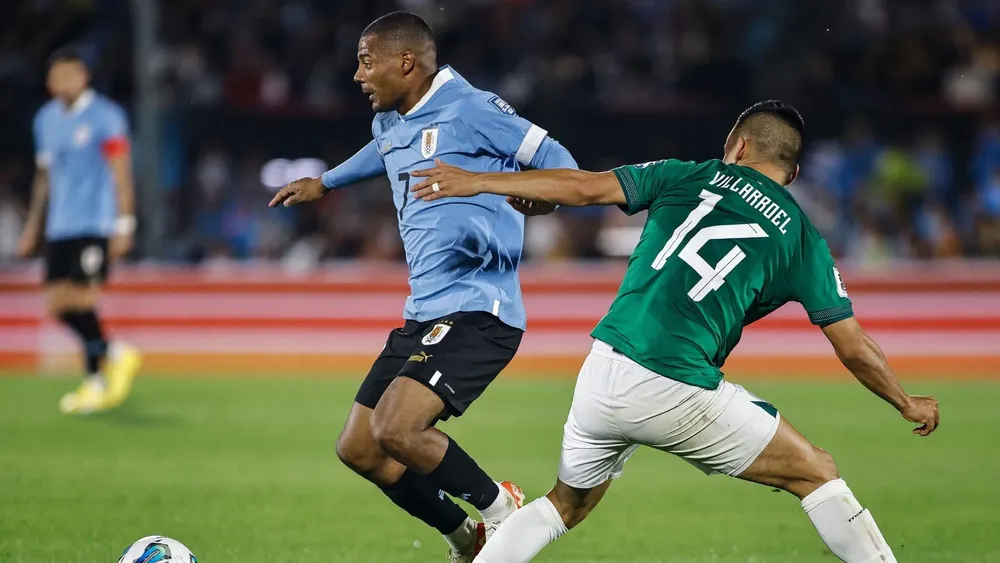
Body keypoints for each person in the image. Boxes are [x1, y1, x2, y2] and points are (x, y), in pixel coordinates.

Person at [409, 100, 940, 563]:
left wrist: (477, 179)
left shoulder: (685, 173)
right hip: (674, 380)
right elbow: (850, 342)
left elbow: (581, 186)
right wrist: (903, 400)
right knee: (816, 472)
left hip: (603, 368)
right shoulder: (801, 236)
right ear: (793, 174)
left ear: (738, 144)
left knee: (563, 506)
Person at [268, 11, 578, 562]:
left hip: (481, 311)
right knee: (361, 448)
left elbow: (560, 161)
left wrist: (542, 198)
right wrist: (326, 182)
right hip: (425, 314)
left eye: (367, 63)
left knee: (397, 429)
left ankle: (502, 507)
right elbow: (385, 152)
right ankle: (464, 536)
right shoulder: (390, 121)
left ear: (405, 62)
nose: (359, 77)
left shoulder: (473, 109)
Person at [18, 46, 142, 415]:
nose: (62, 83)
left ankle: (95, 382)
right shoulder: (45, 119)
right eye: (55, 76)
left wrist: (124, 223)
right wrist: (33, 227)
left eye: (69, 75)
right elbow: (44, 178)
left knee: (84, 301)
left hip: (95, 222)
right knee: (57, 305)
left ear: (84, 76)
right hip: (61, 224)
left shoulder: (107, 116)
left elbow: (121, 172)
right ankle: (115, 352)